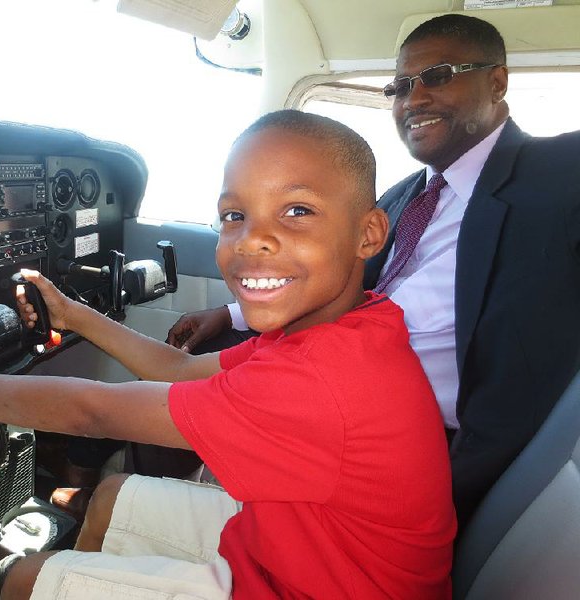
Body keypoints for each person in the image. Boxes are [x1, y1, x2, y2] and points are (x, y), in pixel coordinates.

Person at [0, 111, 456, 599]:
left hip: (310, 586)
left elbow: (90, 412)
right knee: (113, 496)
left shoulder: (320, 382)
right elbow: (181, 370)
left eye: (296, 210)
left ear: (369, 233)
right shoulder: (354, 323)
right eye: (234, 215)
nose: (252, 240)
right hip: (315, 551)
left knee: (18, 578)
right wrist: (75, 315)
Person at [166, 13, 580, 530]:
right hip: (342, 389)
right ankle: (121, 492)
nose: (414, 99)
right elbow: (342, 279)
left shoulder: (559, 173)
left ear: (496, 82)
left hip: (427, 441)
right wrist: (230, 312)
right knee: (196, 355)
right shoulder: (405, 196)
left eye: (438, 75)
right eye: (401, 86)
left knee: (172, 400)